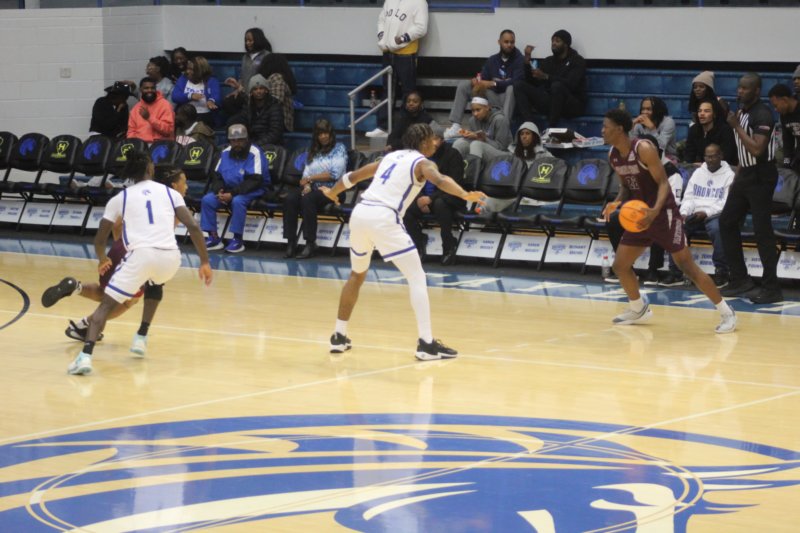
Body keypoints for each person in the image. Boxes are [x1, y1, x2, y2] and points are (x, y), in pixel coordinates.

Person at [322, 123, 486, 360]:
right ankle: (426, 344)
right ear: (423, 142)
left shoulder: (389, 158)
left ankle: (338, 335)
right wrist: (464, 194)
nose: (436, 143)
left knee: (356, 275)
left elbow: (353, 177)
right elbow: (440, 180)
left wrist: (333, 192)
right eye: (433, 139)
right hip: (384, 217)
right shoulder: (422, 163)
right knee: (417, 277)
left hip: (360, 213)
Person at [66, 152, 212, 376]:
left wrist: (102, 258)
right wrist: (204, 262)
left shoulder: (120, 198)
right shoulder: (171, 193)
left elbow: (100, 238)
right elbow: (193, 226)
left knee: (105, 307)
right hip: (171, 258)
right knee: (155, 284)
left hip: (141, 256)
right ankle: (141, 336)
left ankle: (84, 357)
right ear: (150, 170)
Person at [600, 108, 736, 334]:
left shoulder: (643, 148)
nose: (602, 131)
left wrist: (655, 211)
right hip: (641, 215)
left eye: (605, 127)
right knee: (620, 266)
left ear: (619, 129)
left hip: (664, 214)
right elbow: (625, 186)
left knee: (687, 267)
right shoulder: (613, 154)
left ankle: (727, 312)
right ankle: (638, 308)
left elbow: (664, 183)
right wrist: (615, 203)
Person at [42, 165, 189, 351]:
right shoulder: (173, 204)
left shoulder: (137, 194)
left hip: (121, 248)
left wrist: (120, 246)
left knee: (108, 293)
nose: (187, 187)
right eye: (185, 182)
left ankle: (75, 287)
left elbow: (117, 224)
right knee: (128, 301)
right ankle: (84, 326)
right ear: (174, 186)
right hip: (142, 255)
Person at [719, 73, 782, 304]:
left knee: (762, 231)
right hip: (745, 173)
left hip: (761, 175)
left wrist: (736, 126)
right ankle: (740, 279)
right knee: (726, 221)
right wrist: (736, 178)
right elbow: (743, 152)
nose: (740, 91)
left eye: (745, 88)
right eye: (739, 87)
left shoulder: (762, 114)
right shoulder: (742, 112)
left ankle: (772, 288)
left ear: (756, 91)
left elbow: (756, 149)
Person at [283, 118, 348, 259]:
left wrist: (311, 179)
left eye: (326, 133)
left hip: (334, 190)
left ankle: (310, 243)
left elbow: (334, 174)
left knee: (308, 199)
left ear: (331, 134)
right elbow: (305, 176)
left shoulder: (339, 148)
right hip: (313, 189)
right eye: (320, 134)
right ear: (316, 136)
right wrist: (306, 186)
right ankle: (291, 242)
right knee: (290, 198)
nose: (323, 136)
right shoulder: (313, 151)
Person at [442, 29, 523, 140]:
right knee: (464, 85)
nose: (509, 45)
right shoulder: (493, 59)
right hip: (492, 97)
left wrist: (494, 83)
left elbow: (517, 82)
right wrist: (476, 81)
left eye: (512, 42)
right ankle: (456, 126)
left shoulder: (519, 59)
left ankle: (504, 128)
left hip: (508, 100)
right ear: (499, 42)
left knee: (511, 88)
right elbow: (483, 78)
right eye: (506, 42)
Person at [202, 124, 270, 254]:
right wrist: (220, 190)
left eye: (240, 140)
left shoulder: (255, 152)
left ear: (246, 139)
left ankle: (237, 240)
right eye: (233, 140)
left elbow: (255, 180)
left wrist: (232, 194)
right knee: (208, 200)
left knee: (238, 201)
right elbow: (216, 176)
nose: (237, 143)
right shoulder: (225, 152)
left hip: (254, 189)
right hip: (229, 189)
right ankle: (213, 237)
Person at [402, 134, 466, 265]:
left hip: (449, 197)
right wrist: (420, 198)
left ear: (442, 140)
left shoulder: (453, 154)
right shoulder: (420, 156)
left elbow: (454, 182)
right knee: (405, 207)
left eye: (435, 139)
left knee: (440, 204)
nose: (432, 143)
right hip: (425, 197)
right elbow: (413, 180)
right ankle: (418, 241)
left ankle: (448, 245)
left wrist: (430, 198)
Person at [368, 0, 429, 138]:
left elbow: (421, 27)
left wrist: (402, 38)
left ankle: (405, 127)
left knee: (408, 92)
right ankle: (384, 126)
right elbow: (381, 20)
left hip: (407, 53)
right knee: (387, 90)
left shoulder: (419, 2)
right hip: (388, 52)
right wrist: (382, 36)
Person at [678, 143, 735, 288]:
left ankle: (722, 271)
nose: (710, 160)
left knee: (717, 228)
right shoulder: (698, 173)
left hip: (715, 215)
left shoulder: (729, 175)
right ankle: (677, 270)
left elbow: (725, 202)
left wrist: (706, 213)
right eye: (707, 157)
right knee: (678, 225)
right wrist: (684, 213)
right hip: (695, 213)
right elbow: (689, 197)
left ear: (720, 156)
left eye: (713, 156)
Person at [513, 29, 586, 128]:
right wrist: (527, 61)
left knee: (557, 86)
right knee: (519, 85)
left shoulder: (577, 60)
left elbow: (572, 84)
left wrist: (546, 77)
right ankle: (531, 126)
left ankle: (551, 129)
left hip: (571, 104)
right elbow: (533, 83)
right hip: (552, 102)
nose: (554, 43)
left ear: (566, 45)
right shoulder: (548, 61)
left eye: (557, 41)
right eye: (553, 41)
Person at [228, 74, 284, 148]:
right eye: (255, 89)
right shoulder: (248, 106)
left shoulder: (274, 106)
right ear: (251, 92)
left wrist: (255, 145)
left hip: (270, 145)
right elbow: (242, 121)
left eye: (261, 88)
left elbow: (275, 134)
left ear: (266, 90)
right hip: (252, 144)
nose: (258, 91)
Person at [223, 27, 272, 104]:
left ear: (258, 40)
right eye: (246, 41)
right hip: (244, 93)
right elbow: (242, 76)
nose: (247, 43)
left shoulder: (267, 56)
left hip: (259, 94)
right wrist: (237, 89)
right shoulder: (245, 57)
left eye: (250, 40)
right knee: (228, 102)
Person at [683, 99, 737, 166]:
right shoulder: (694, 129)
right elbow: (689, 154)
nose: (702, 114)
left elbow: (726, 157)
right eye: (699, 111)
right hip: (701, 168)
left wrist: (703, 165)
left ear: (714, 114)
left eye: (706, 111)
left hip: (725, 167)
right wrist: (688, 165)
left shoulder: (725, 130)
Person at [172, 55, 221, 127]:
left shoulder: (211, 81)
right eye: (187, 68)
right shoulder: (183, 79)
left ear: (200, 70)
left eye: (191, 69)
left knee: (199, 126)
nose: (187, 71)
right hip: (186, 115)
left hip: (204, 115)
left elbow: (216, 95)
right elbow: (175, 96)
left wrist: (211, 101)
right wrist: (190, 96)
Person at [256, 52, 297, 132]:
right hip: (272, 121)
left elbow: (275, 101)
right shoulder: (273, 78)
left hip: (278, 122)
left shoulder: (277, 78)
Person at [127, 77, 175, 143]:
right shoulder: (135, 108)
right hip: (140, 145)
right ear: (140, 90)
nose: (150, 90)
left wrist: (149, 118)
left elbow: (168, 131)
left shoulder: (165, 105)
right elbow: (131, 132)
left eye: (152, 88)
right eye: (146, 88)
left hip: (161, 145)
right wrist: (134, 145)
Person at [767, 83, 800, 174]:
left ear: (785, 100)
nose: (775, 109)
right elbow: (788, 141)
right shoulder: (784, 116)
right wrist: (787, 162)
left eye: (776, 105)